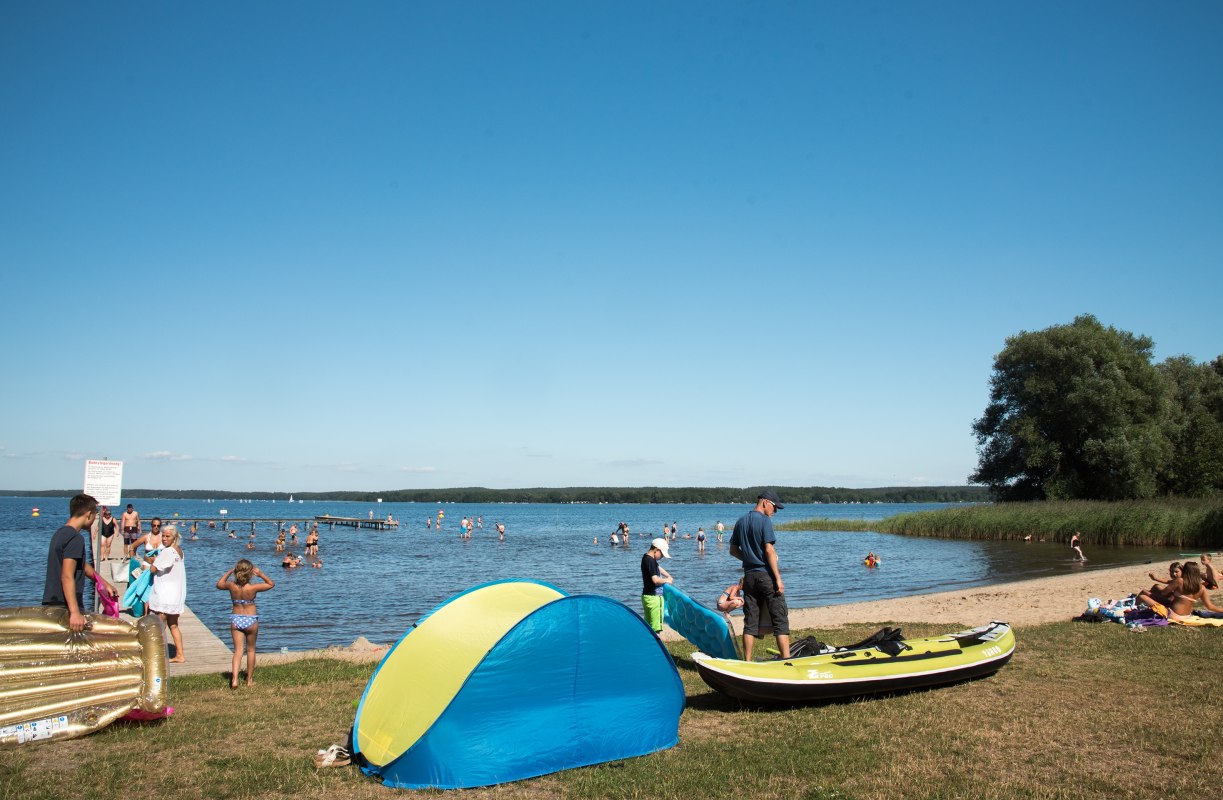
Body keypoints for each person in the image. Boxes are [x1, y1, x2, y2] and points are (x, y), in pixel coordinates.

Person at [729, 489, 791, 661]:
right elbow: (769, 550)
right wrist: (778, 578)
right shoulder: (764, 521)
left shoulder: (741, 521)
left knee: (750, 622)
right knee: (780, 620)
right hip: (765, 576)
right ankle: (787, 660)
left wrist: (749, 559)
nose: (775, 511)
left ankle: (747, 662)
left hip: (749, 576)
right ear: (765, 502)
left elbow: (733, 550)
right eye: (775, 507)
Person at [43, 494, 116, 632]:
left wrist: (103, 583)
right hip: (65, 606)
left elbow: (80, 565)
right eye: (95, 515)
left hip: (52, 601)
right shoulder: (75, 538)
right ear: (88, 514)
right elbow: (67, 576)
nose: (95, 519)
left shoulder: (59, 534)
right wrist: (75, 612)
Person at [216, 559, 275, 688]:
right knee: (251, 650)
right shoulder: (253, 587)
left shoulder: (232, 585)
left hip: (236, 618)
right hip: (251, 619)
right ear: (251, 573)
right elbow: (271, 584)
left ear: (236, 572)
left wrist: (229, 571)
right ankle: (249, 680)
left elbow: (219, 584)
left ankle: (235, 679)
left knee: (238, 651)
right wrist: (261, 574)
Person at [147, 525, 187, 663]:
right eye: (163, 536)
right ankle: (180, 654)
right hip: (176, 594)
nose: (164, 538)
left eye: (167, 536)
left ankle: (158, 654)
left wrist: (149, 561)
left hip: (165, 594)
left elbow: (153, 569)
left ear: (174, 537)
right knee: (173, 624)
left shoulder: (168, 552)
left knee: (160, 624)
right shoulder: (179, 551)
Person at [1138, 562, 1222, 619]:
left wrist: (1153, 594)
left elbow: (1163, 593)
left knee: (1142, 595)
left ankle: (1131, 609)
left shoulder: (1180, 581)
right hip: (1187, 615)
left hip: (1173, 614)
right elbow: (1210, 606)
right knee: (1153, 591)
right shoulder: (1202, 588)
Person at [640, 538, 673, 634]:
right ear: (656, 549)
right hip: (655, 598)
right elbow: (655, 580)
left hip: (646, 596)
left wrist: (668, 575)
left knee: (649, 626)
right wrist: (667, 580)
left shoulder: (646, 558)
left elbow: (658, 567)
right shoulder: (651, 561)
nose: (662, 556)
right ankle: (657, 646)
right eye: (662, 554)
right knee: (656, 629)